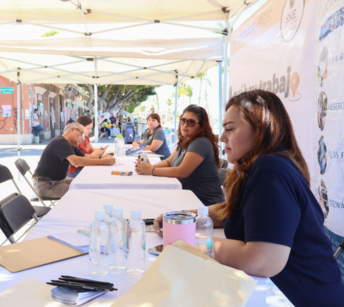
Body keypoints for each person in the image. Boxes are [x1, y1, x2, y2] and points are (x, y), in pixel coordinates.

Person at [153, 90, 344, 307]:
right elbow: (231, 210)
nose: (222, 137)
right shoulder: (260, 166)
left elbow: (262, 260)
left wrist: (186, 238)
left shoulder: (270, 169)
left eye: (230, 129)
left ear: (261, 129)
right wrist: (183, 218)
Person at [136, 105, 223, 206]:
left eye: (191, 122)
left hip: (206, 203)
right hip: (190, 197)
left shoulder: (200, 142)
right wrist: (148, 167)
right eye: (183, 120)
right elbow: (168, 162)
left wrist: (151, 170)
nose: (185, 124)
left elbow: (182, 172)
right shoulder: (186, 140)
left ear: (201, 126)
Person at [33, 122, 116, 198]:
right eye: (81, 134)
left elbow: (84, 156)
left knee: (84, 183)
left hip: (58, 180)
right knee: (82, 192)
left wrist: (101, 157)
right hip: (47, 185)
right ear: (72, 130)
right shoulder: (60, 142)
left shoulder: (68, 143)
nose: (83, 139)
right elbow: (76, 161)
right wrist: (103, 162)